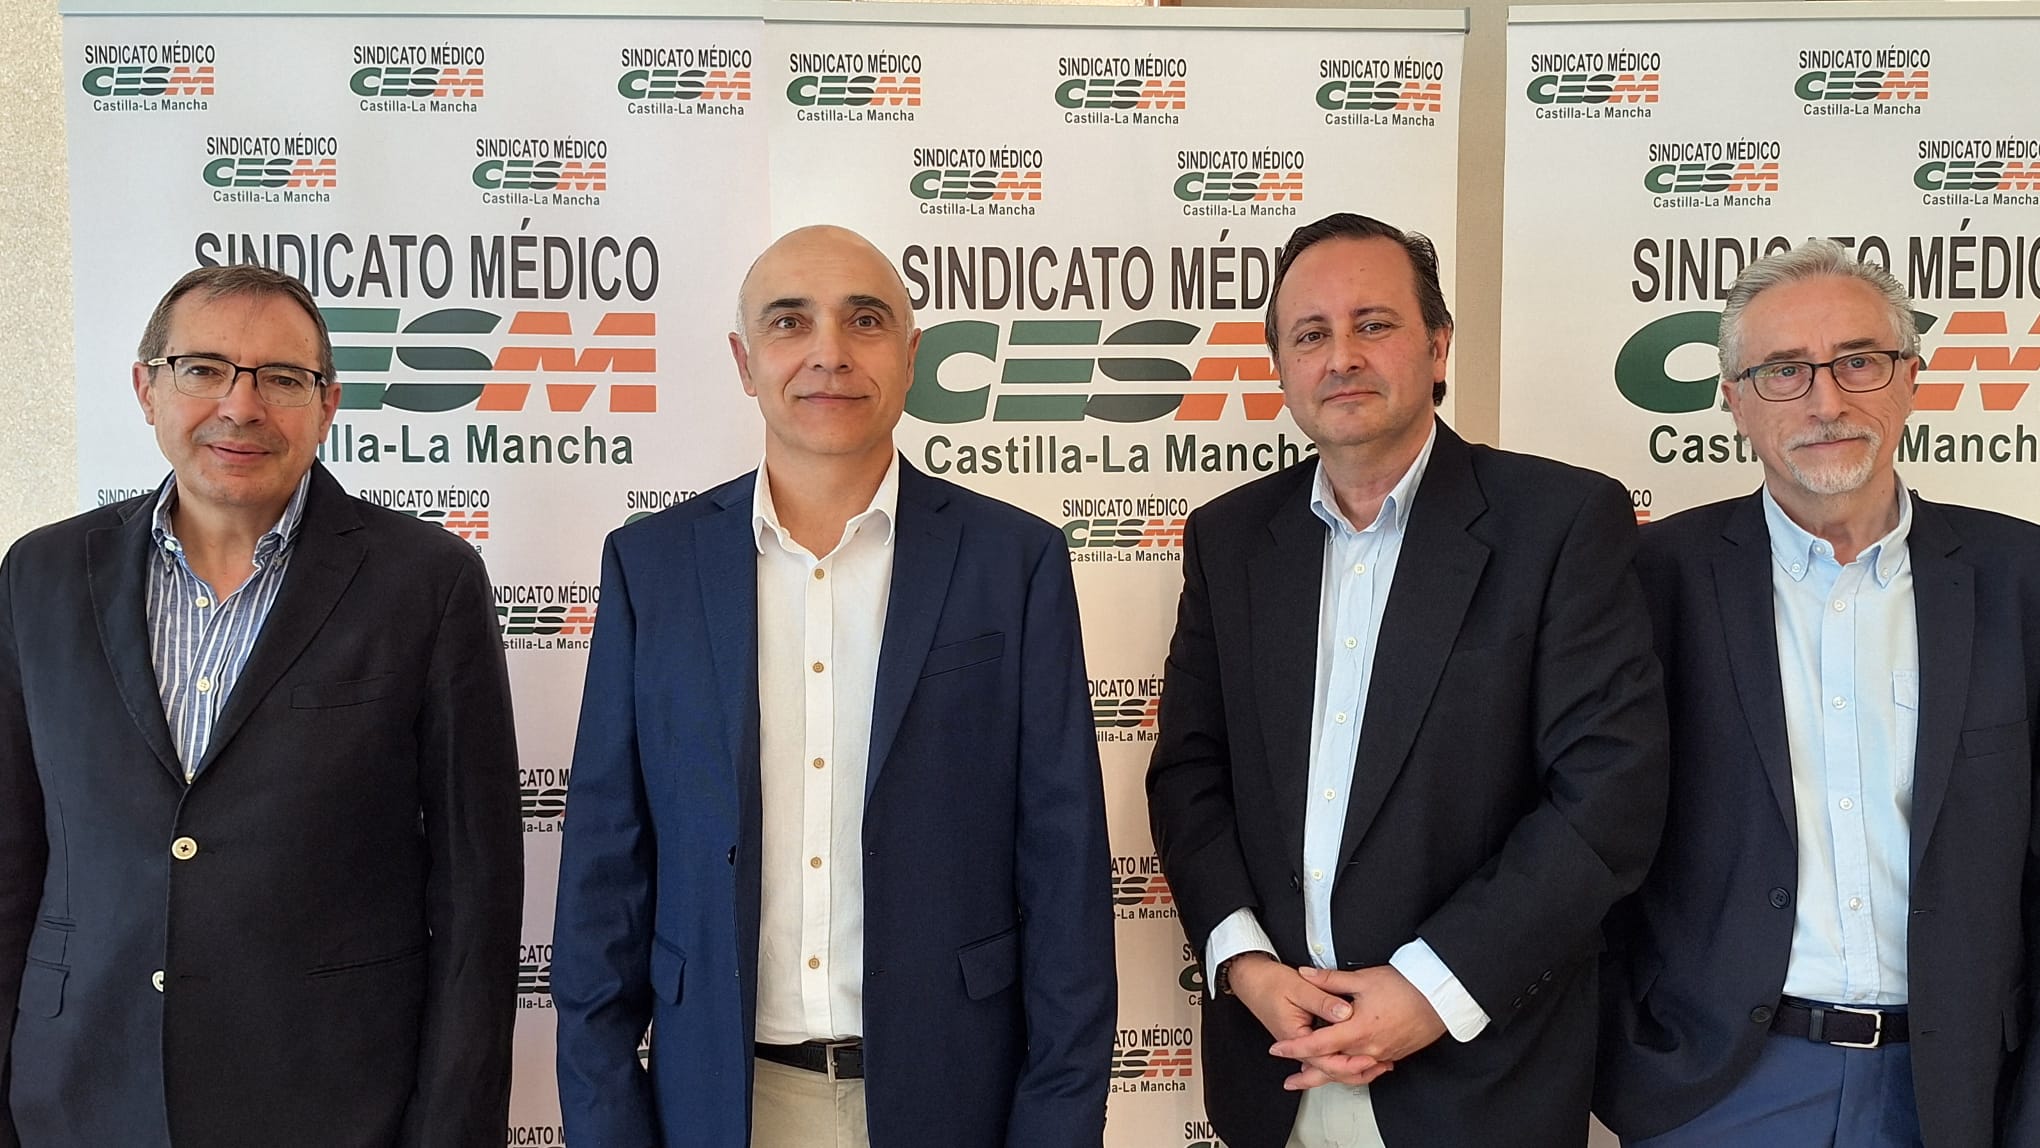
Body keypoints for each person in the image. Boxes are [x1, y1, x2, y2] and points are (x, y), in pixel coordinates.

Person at [550, 224, 1114, 1148]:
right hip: (721, 1103)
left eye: (865, 320)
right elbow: (604, 873)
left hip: (952, 1096)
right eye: (789, 322)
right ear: (744, 362)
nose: (829, 353)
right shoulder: (652, 569)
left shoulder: (1014, 562)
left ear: (912, 355)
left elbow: (1065, 869)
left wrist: (1057, 1123)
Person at [1147, 211, 1669, 1148]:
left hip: (1476, 1079)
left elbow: (1606, 798)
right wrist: (1246, 964)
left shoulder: (1559, 522)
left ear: (1437, 346)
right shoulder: (1230, 539)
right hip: (1276, 1070)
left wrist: (1431, 988)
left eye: (1374, 324)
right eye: (1311, 334)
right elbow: (1190, 772)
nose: (1342, 356)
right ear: (1281, 367)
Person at [0, 264, 522, 1148]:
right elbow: (13, 860)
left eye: (281, 378)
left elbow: (477, 893)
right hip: (80, 1093)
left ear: (327, 406)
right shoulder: (40, 574)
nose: (240, 407)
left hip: (333, 1101)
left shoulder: (426, 583)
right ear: (147, 389)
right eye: (203, 369)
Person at [1596, 238, 2040, 1147]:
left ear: (1911, 379)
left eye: (1859, 362)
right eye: (1784, 371)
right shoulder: (1648, 582)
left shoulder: (2021, 577)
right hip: (1717, 1089)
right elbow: (1587, 827)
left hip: (1958, 1091)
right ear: (1735, 401)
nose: (1827, 401)